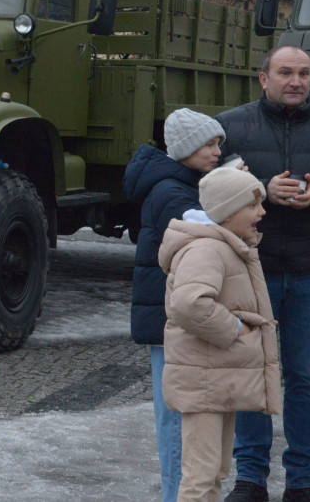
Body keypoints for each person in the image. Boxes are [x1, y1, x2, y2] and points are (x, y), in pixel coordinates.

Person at [216, 44, 310, 502]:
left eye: (303, 73)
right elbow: (208, 183)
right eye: (285, 73)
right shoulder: (231, 124)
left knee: (304, 376)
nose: (295, 81)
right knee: (255, 373)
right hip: (250, 269)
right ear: (263, 78)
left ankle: (303, 480)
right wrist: (258, 189)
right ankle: (250, 478)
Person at [159, 167, 281, 502]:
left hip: (216, 380)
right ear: (227, 212)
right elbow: (189, 304)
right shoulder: (206, 250)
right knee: (200, 476)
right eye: (253, 205)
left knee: (214, 471)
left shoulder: (226, 245)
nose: (262, 212)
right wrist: (236, 329)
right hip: (203, 382)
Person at [123, 108, 226, 501]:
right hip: (170, 319)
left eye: (219, 143)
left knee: (180, 412)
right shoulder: (171, 191)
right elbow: (210, 231)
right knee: (178, 416)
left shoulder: (179, 181)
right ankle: (176, 495)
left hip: (169, 315)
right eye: (209, 144)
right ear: (185, 149)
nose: (217, 152)